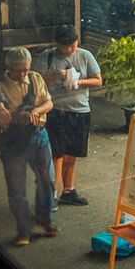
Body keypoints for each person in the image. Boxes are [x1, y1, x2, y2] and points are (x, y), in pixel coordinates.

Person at [34, 25, 102, 206]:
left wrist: (78, 82)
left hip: (79, 111)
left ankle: (68, 190)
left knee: (73, 154)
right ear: (57, 44)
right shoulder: (47, 57)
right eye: (65, 47)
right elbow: (37, 82)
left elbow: (98, 80)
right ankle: (52, 194)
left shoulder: (85, 55)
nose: (70, 50)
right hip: (55, 111)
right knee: (56, 154)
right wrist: (56, 76)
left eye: (73, 45)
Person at [0, 47, 57, 247]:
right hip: (13, 142)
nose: (22, 74)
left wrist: (37, 111)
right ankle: (24, 229)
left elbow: (49, 103)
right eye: (18, 70)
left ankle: (44, 221)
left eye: (25, 69)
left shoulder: (36, 78)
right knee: (17, 188)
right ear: (9, 67)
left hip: (39, 136)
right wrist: (16, 117)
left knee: (47, 181)